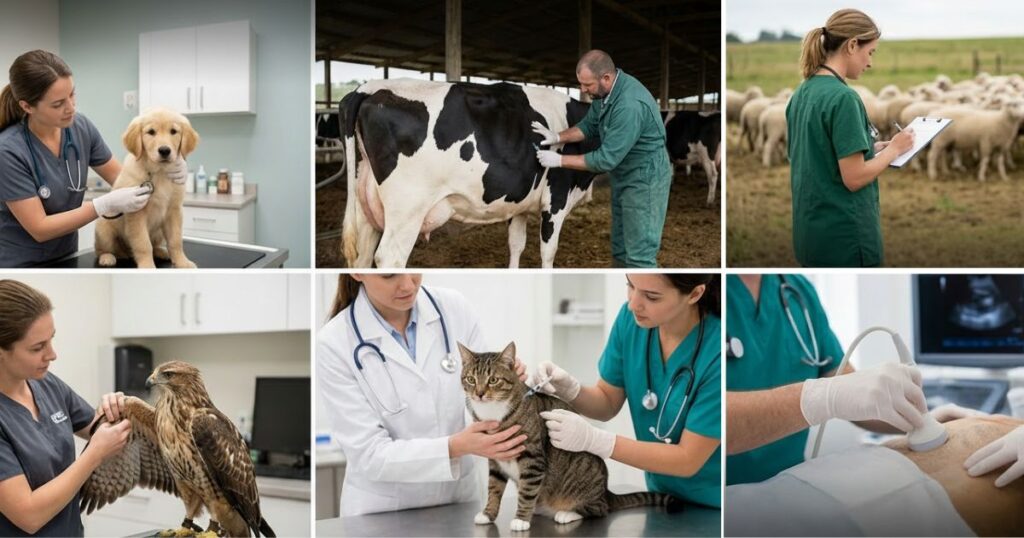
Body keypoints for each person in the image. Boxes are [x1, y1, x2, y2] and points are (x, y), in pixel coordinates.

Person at [725, 274, 979, 485]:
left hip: (785, 487)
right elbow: (705, 416)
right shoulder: (712, 296)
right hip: (714, 496)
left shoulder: (797, 291)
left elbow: (856, 401)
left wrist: (920, 419)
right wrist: (823, 397)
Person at [317, 274, 528, 516]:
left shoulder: (453, 309)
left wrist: (507, 386)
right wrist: (454, 447)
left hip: (458, 503)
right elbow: (369, 455)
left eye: (413, 270)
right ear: (358, 272)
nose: (408, 285)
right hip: (383, 513)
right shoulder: (333, 342)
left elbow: (479, 398)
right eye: (389, 276)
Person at [535, 274, 721, 507]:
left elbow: (687, 459)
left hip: (716, 505)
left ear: (694, 294)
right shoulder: (631, 320)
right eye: (630, 285)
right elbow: (606, 403)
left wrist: (595, 441)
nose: (633, 303)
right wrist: (570, 390)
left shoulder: (717, 352)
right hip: (662, 499)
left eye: (651, 296)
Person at [0, 50, 186, 267]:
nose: (71, 108)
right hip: (19, 267)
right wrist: (101, 205)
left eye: (72, 94)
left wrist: (164, 167)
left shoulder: (80, 127)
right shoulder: (8, 151)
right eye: (58, 104)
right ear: (27, 106)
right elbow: (39, 228)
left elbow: (124, 179)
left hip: (67, 256)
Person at [0, 279, 132, 536]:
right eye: (38, 348)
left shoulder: (47, 384)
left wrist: (115, 410)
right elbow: (28, 515)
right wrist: (94, 454)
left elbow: (98, 428)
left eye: (51, 340)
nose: (52, 354)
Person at [786, 9, 915, 267]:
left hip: (812, 234)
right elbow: (854, 178)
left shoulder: (802, 92)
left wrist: (874, 148)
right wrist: (894, 150)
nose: (870, 63)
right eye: (871, 52)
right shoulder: (844, 98)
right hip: (844, 238)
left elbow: (821, 154)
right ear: (852, 45)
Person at [532, 50, 672, 268]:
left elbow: (605, 160)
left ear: (606, 78)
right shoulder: (604, 94)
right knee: (619, 247)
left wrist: (559, 161)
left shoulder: (629, 105)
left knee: (639, 255)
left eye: (587, 85)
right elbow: (589, 126)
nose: (582, 90)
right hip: (624, 174)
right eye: (581, 84)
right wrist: (558, 136)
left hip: (645, 179)